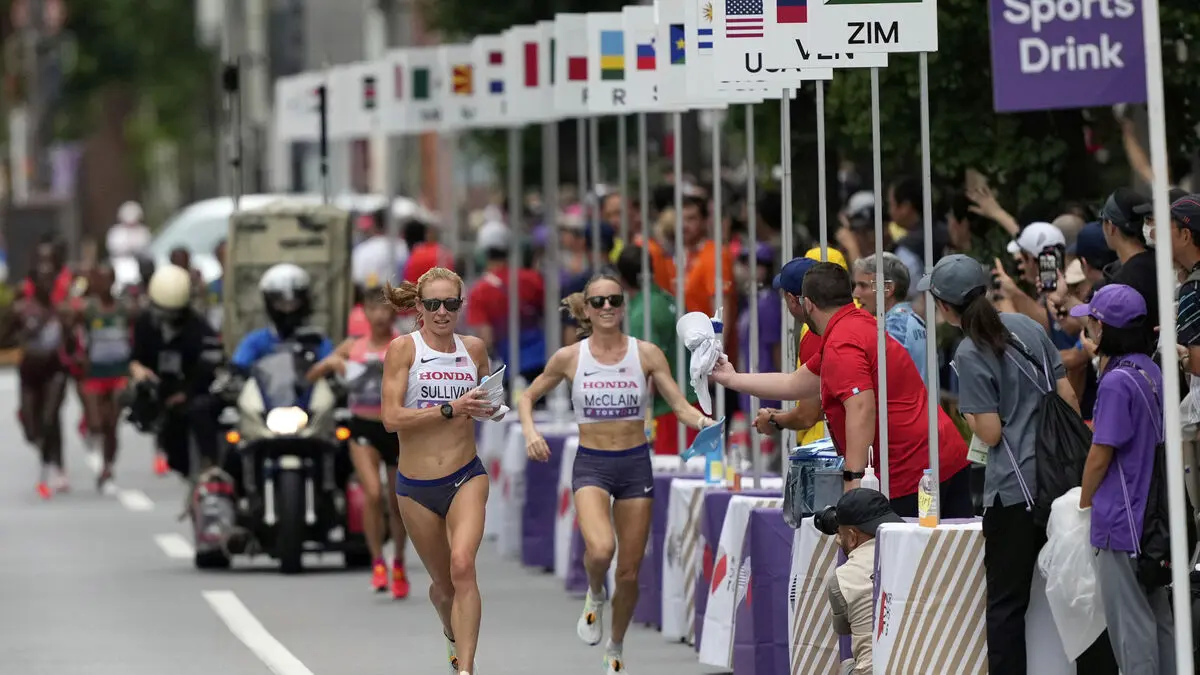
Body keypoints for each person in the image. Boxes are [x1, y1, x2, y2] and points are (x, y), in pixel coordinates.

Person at [520, 273, 715, 675]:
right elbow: (526, 396)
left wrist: (702, 422)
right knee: (601, 550)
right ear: (587, 312)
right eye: (598, 302)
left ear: (623, 306)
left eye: (614, 300)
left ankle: (616, 645)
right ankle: (594, 593)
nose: (607, 308)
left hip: (634, 464)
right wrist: (530, 433)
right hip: (592, 464)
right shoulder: (571, 357)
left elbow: (678, 404)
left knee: (628, 571)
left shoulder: (645, 354)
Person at [917, 254, 1097, 675]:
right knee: (1080, 593)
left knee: (1005, 607)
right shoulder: (1028, 327)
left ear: (945, 306)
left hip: (1014, 494)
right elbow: (1068, 397)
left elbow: (991, 433)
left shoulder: (969, 350)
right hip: (1063, 485)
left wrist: (967, 412)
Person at [714, 262, 972, 517]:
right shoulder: (856, 323)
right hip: (943, 455)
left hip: (912, 469)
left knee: (892, 556)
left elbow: (861, 407)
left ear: (808, 304)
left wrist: (853, 479)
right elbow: (795, 383)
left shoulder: (842, 342)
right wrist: (732, 378)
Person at [380, 267, 497, 675]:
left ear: (460, 306)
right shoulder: (403, 350)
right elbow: (391, 419)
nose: (442, 312)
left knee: (463, 565)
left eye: (450, 304)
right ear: (419, 307)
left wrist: (490, 408)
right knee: (444, 587)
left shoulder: (474, 349)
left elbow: (488, 400)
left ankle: (465, 669)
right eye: (433, 304)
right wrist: (449, 409)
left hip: (466, 475)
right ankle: (450, 632)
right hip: (415, 487)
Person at [1072, 284, 1175, 675]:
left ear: (1105, 328)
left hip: (1121, 519)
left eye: (1093, 322)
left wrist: (1083, 500)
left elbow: (1101, 454)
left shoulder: (1116, 382)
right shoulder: (1148, 369)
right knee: (1159, 621)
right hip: (1151, 517)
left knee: (1131, 628)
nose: (1090, 329)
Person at [307, 289, 410, 599]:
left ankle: (399, 563)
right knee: (373, 494)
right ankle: (377, 561)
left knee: (397, 502)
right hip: (362, 426)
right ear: (364, 313)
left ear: (393, 313)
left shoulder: (402, 345)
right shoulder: (354, 346)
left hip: (395, 428)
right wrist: (333, 364)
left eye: (385, 309)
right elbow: (313, 375)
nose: (380, 315)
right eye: (373, 309)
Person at [129, 265, 223, 478]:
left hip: (193, 390)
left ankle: (211, 465)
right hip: (160, 388)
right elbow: (135, 358)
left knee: (201, 410)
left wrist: (186, 393)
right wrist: (139, 371)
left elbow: (209, 365)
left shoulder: (198, 329)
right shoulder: (145, 324)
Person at [614, 246, 700, 456]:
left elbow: (646, 375)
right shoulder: (666, 299)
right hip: (690, 402)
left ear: (622, 279)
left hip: (669, 413)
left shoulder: (642, 314)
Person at [66, 262, 137, 493]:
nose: (104, 284)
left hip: (118, 373)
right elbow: (67, 325)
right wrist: (77, 356)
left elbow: (139, 328)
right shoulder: (87, 309)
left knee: (111, 424)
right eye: (100, 280)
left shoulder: (124, 308)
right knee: (96, 423)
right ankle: (94, 444)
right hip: (95, 373)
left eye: (108, 279)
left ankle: (108, 465)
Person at [3, 260, 69, 497]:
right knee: (33, 428)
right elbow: (6, 336)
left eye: (50, 278)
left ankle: (54, 466)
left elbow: (73, 342)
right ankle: (45, 450)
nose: (46, 284)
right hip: (29, 372)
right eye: (41, 279)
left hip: (54, 372)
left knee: (50, 418)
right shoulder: (22, 309)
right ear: (33, 283)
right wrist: (21, 335)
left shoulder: (63, 310)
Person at [826, 489, 903, 675]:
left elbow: (843, 629)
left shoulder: (840, 580)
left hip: (873, 670)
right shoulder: (910, 555)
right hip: (918, 664)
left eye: (840, 534)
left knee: (845, 667)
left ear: (852, 537)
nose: (839, 540)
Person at [230, 264, 334, 372]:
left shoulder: (317, 341)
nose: (288, 309)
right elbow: (239, 365)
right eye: (281, 303)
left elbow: (331, 368)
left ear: (304, 303)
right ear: (269, 304)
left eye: (294, 302)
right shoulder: (255, 341)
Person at [851, 252, 928, 385]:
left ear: (888, 288)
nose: (855, 294)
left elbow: (883, 383)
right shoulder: (912, 320)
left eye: (863, 286)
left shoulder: (893, 327)